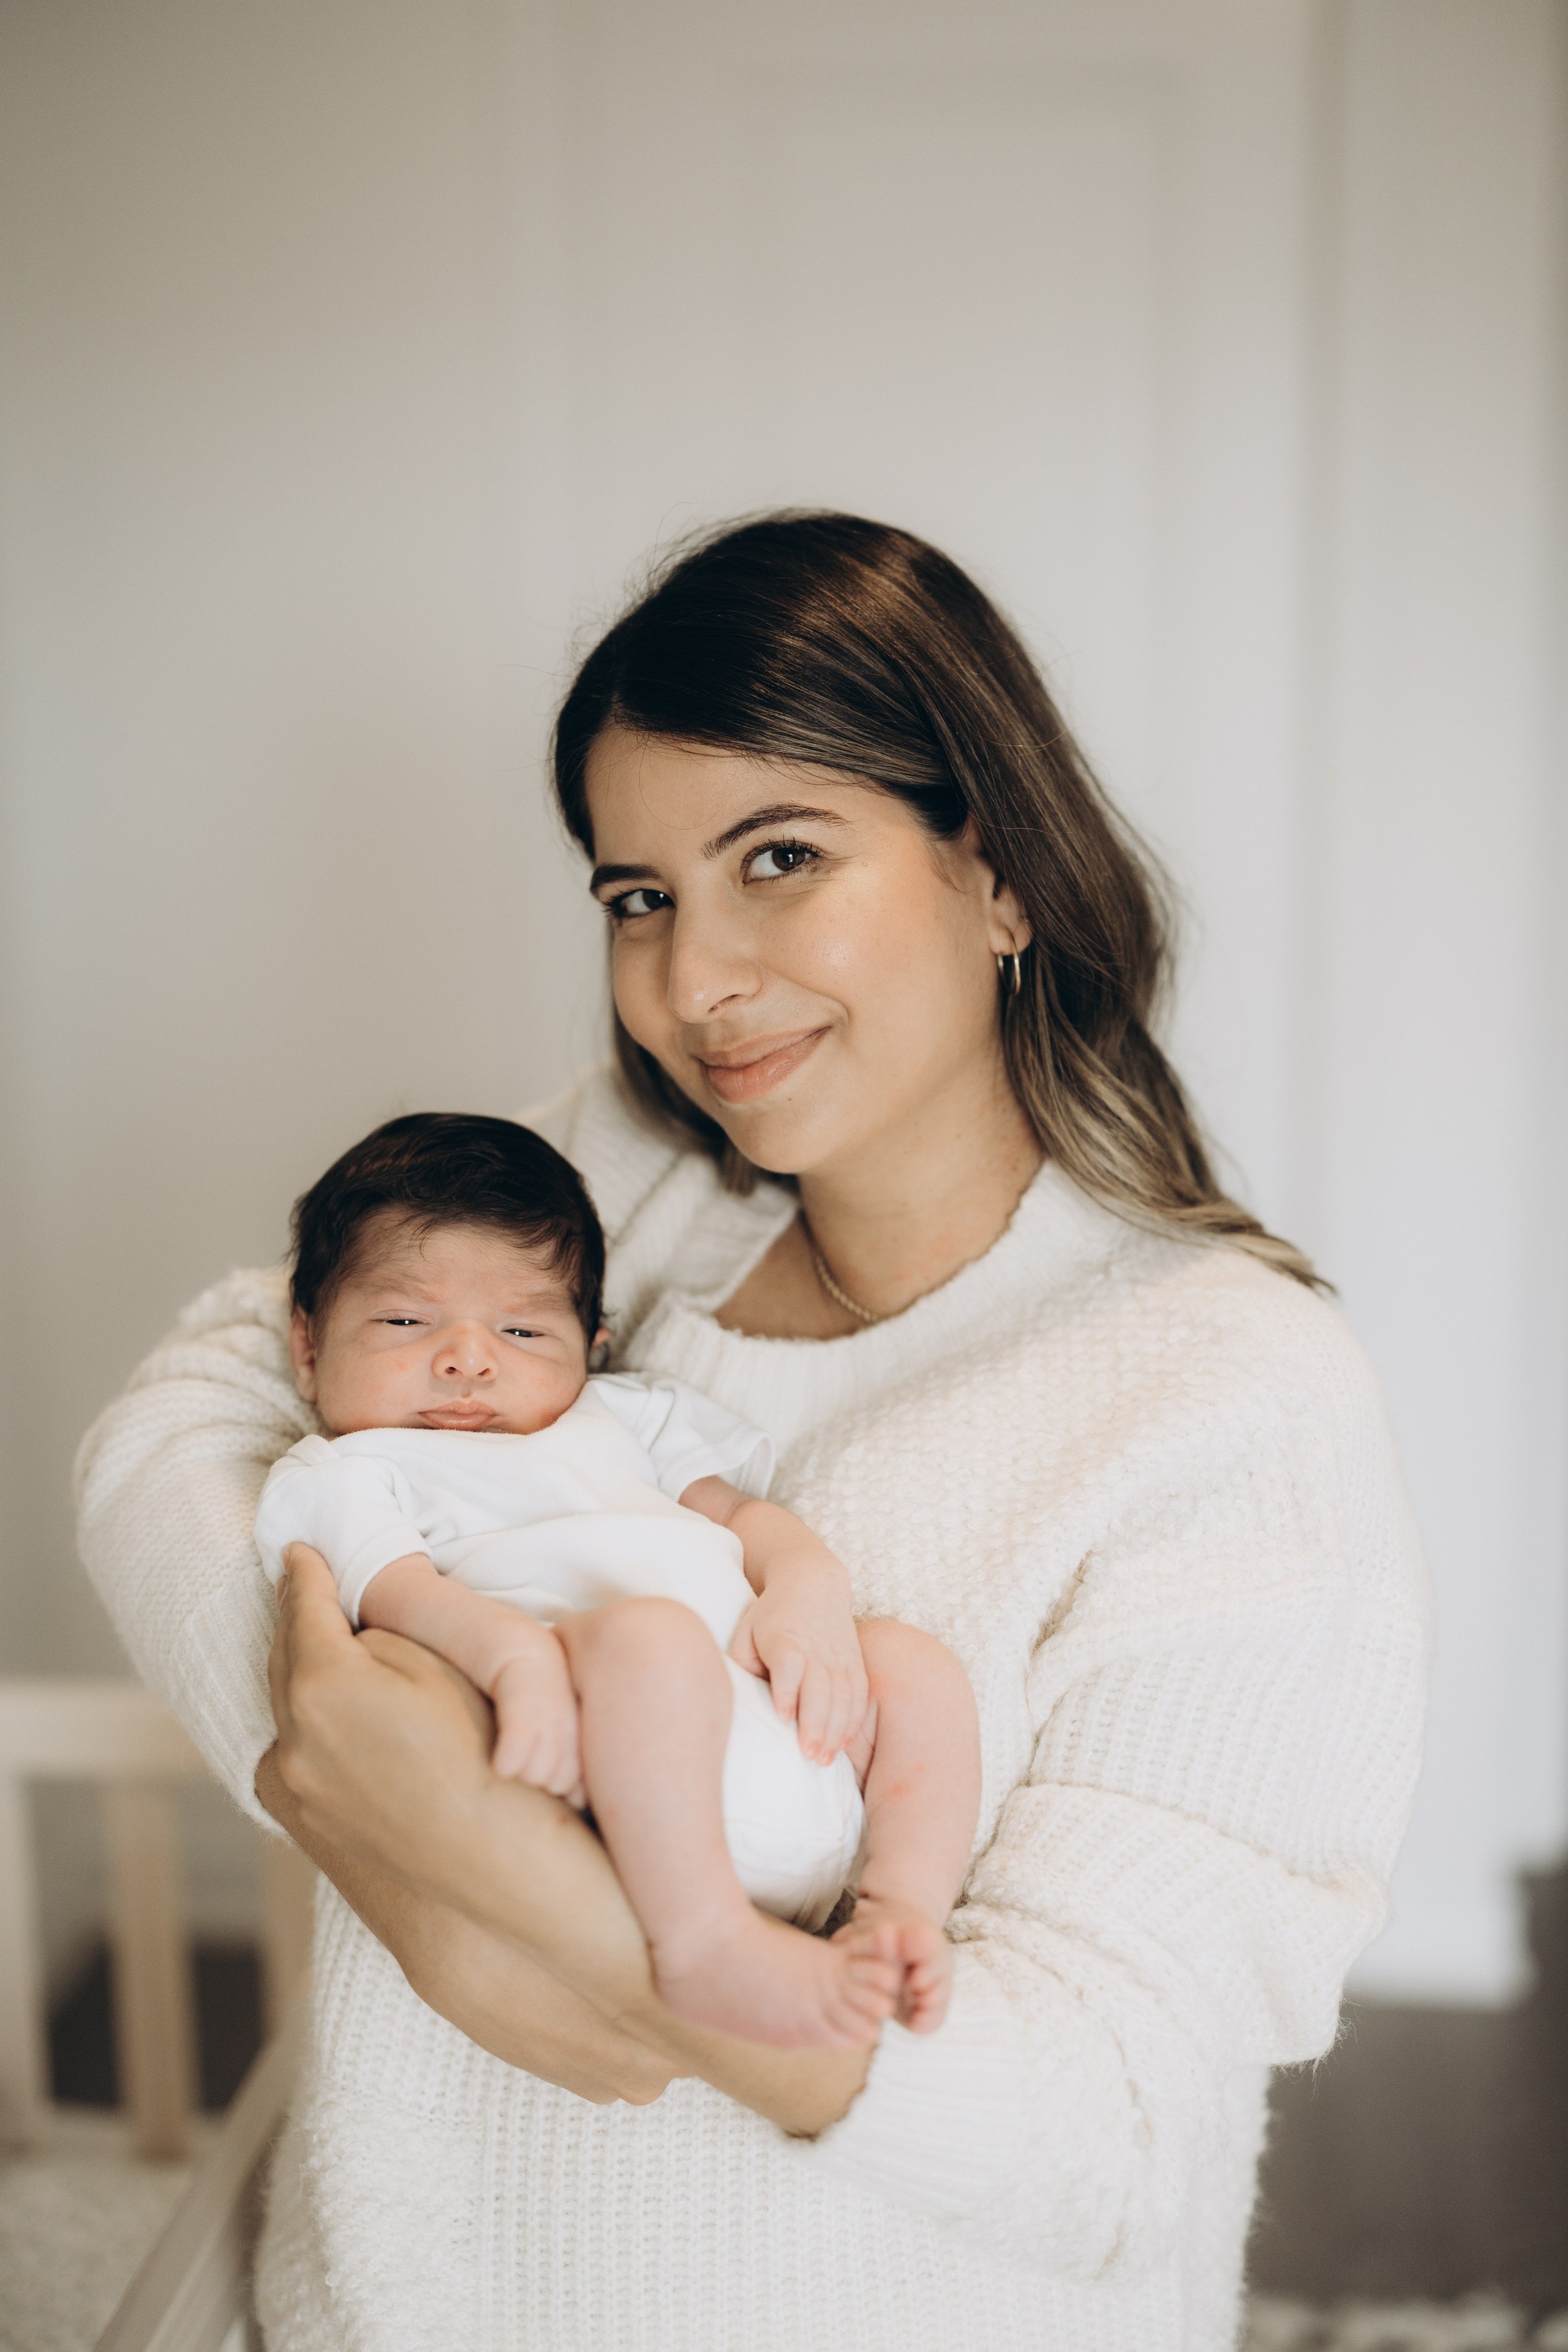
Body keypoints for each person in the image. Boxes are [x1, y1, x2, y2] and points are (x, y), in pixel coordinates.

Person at [76, 511, 1429, 2352]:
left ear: (1005, 869)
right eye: (639, 897)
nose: (694, 983)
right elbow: (192, 1409)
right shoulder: (637, 1188)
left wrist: (534, 1906)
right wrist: (329, 1765)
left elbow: (1102, 2136)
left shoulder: (1225, 1389)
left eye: (777, 859)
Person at [254, 1110, 979, 2046]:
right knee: (649, 1635)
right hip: (619, 1781)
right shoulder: (349, 1470)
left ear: (593, 1347)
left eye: (522, 1329)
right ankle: (705, 1945)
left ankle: (899, 1907)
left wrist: (807, 1586)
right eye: (405, 1319)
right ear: (308, 1346)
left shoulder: (627, 1417)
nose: (469, 1358)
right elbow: (403, 1594)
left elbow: (744, 1519)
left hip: (782, 1734)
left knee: (910, 1663)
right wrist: (515, 1658)